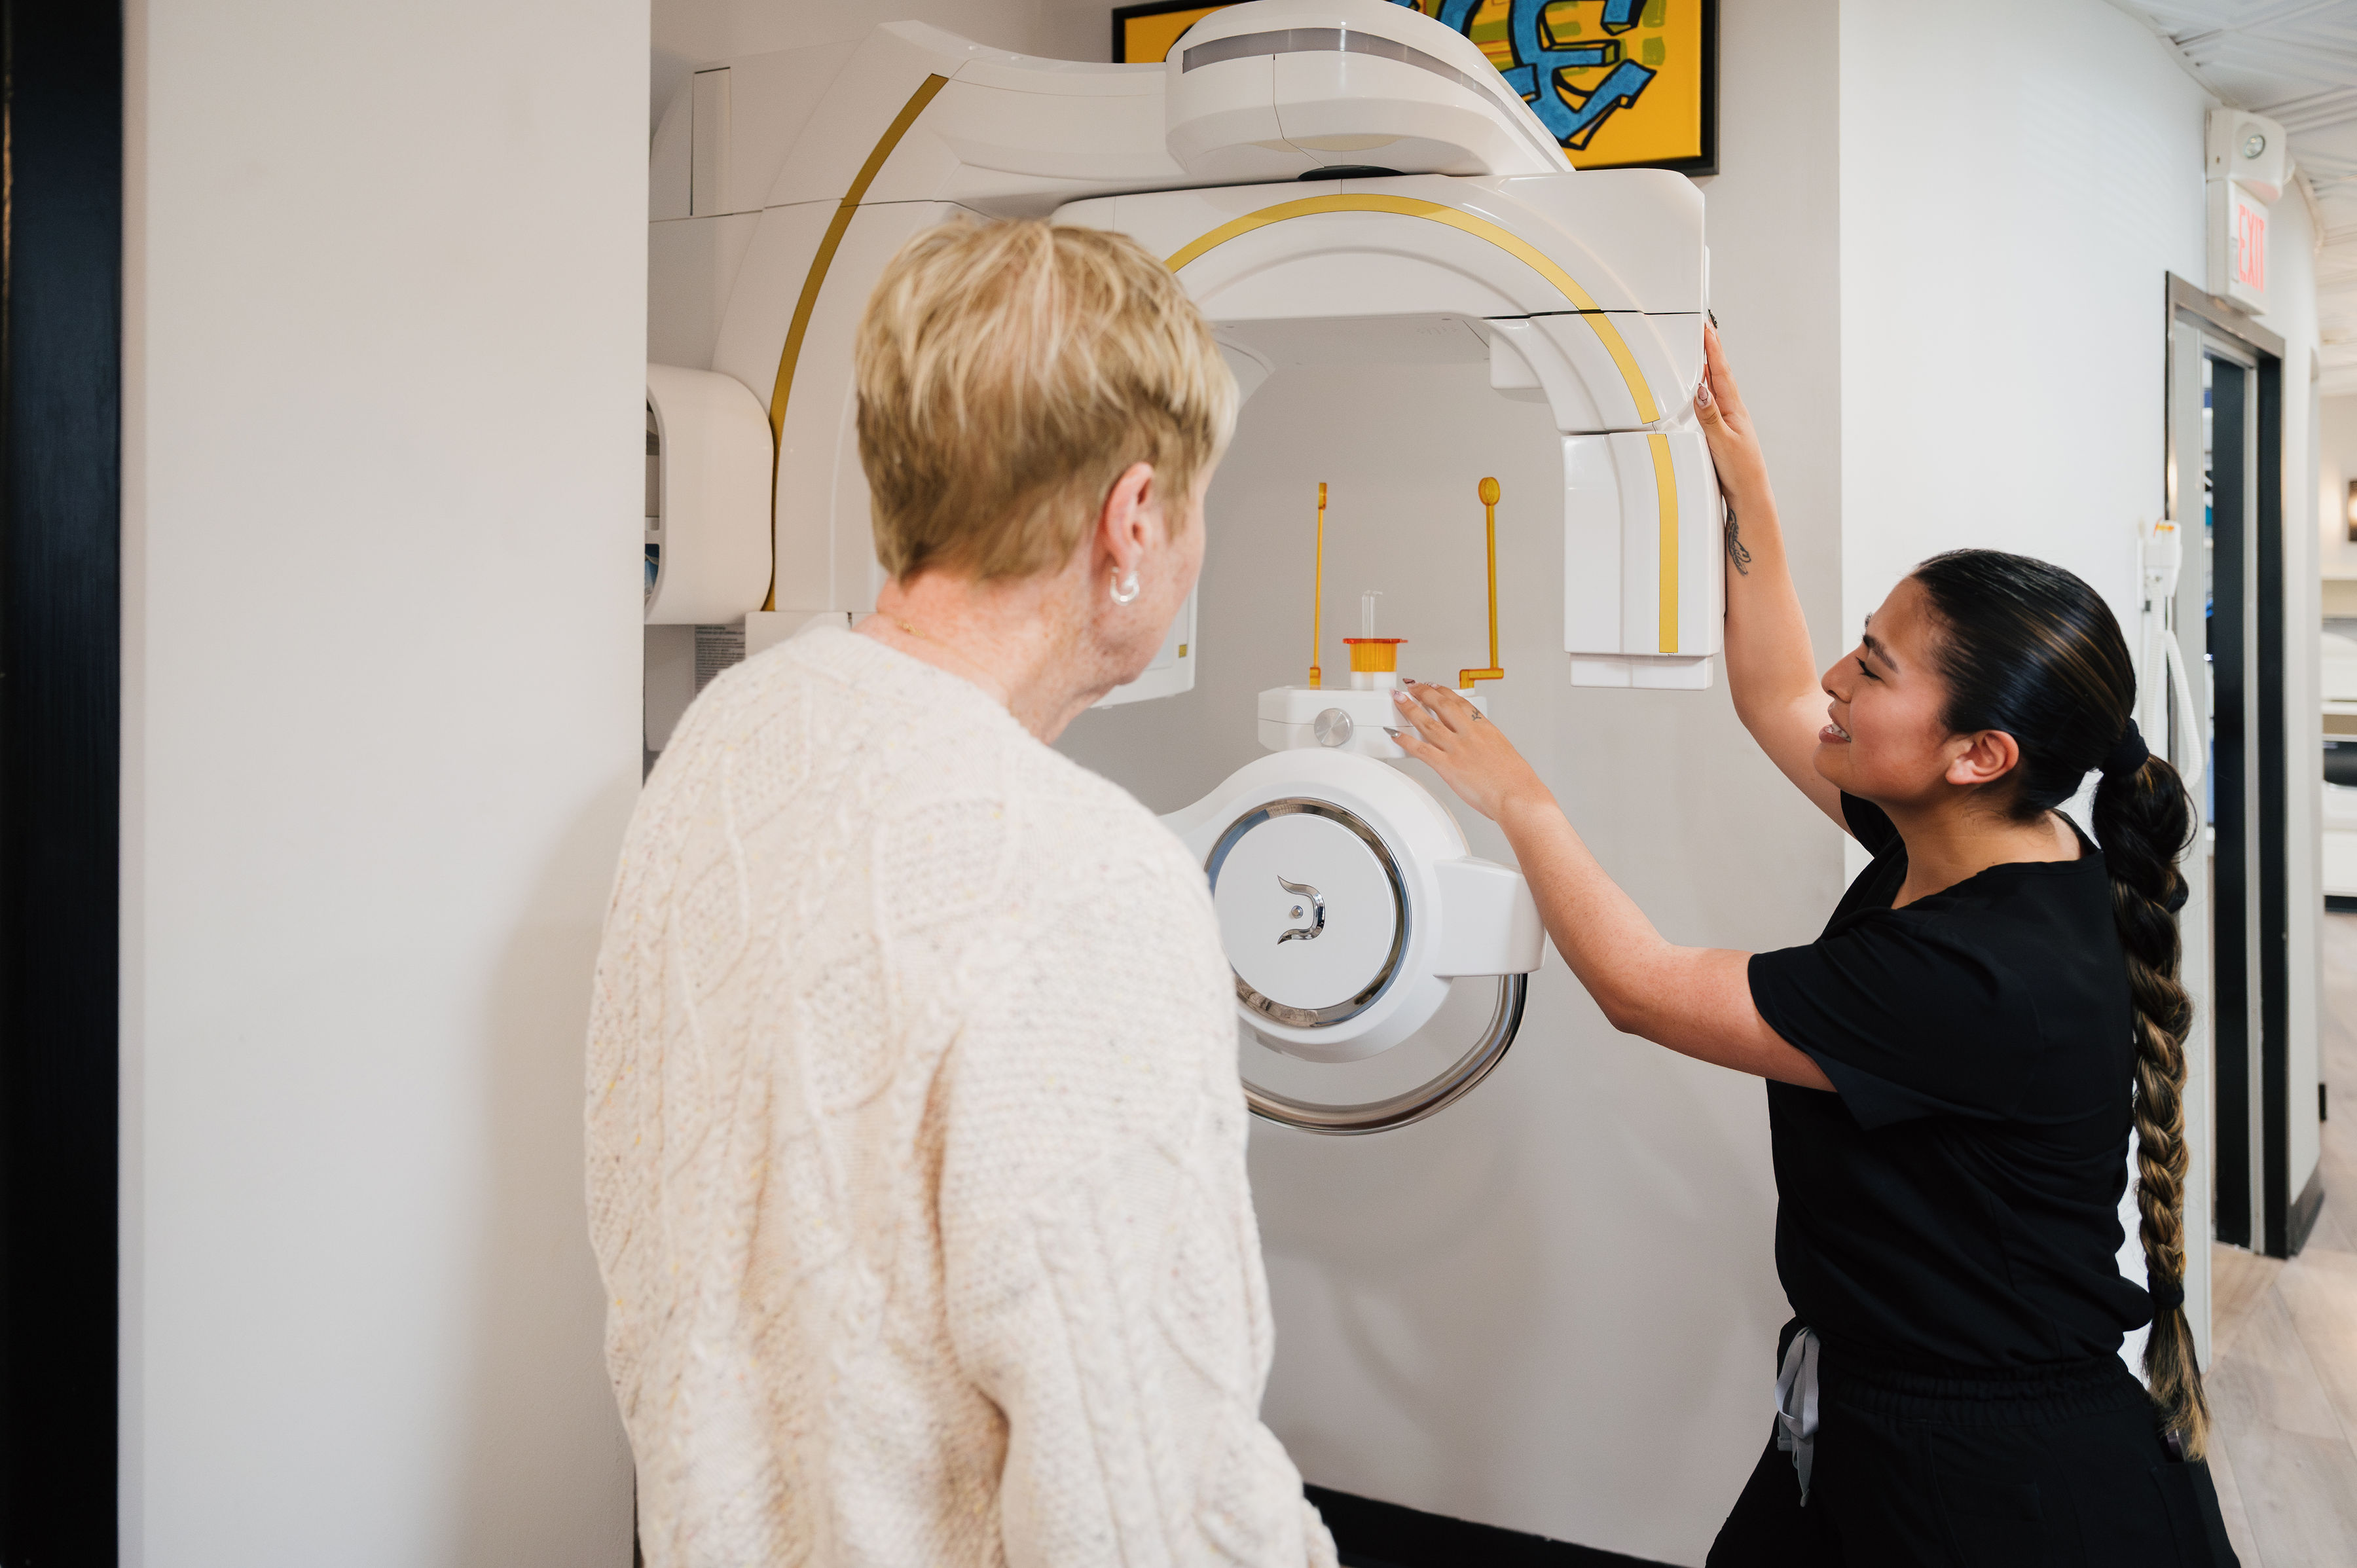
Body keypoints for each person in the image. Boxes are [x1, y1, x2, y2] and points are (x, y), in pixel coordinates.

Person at [1387, 323, 2238, 1565]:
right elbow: (1777, 693)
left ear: (1977, 753)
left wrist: (1519, 797)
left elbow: (1642, 988)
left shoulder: (1976, 975)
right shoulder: (1976, 841)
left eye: (1878, 667)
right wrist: (1742, 475)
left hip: (2003, 1483)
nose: (1841, 676)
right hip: (1876, 1418)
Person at [585, 219, 1336, 1568]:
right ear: (1135, 514)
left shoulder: (729, 738)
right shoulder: (1086, 877)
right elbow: (1147, 1500)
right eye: (1198, 499)